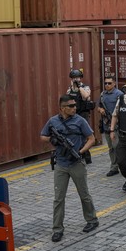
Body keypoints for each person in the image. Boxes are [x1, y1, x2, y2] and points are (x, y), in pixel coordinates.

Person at [40, 94, 98, 242]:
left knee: (84, 194)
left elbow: (92, 138)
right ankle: (57, 229)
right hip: (61, 164)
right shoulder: (53, 121)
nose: (74, 108)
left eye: (75, 105)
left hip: (76, 163)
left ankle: (92, 220)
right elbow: (43, 136)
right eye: (71, 106)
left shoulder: (80, 121)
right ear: (62, 108)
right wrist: (52, 139)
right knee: (58, 199)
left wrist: (81, 152)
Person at [98, 77, 123, 177]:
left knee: (117, 146)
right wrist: (100, 110)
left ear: (114, 84)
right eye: (105, 83)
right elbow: (98, 106)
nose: (107, 85)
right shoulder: (102, 95)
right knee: (111, 147)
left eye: (109, 83)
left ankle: (120, 164)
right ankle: (114, 167)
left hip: (116, 125)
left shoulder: (119, 94)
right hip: (106, 124)